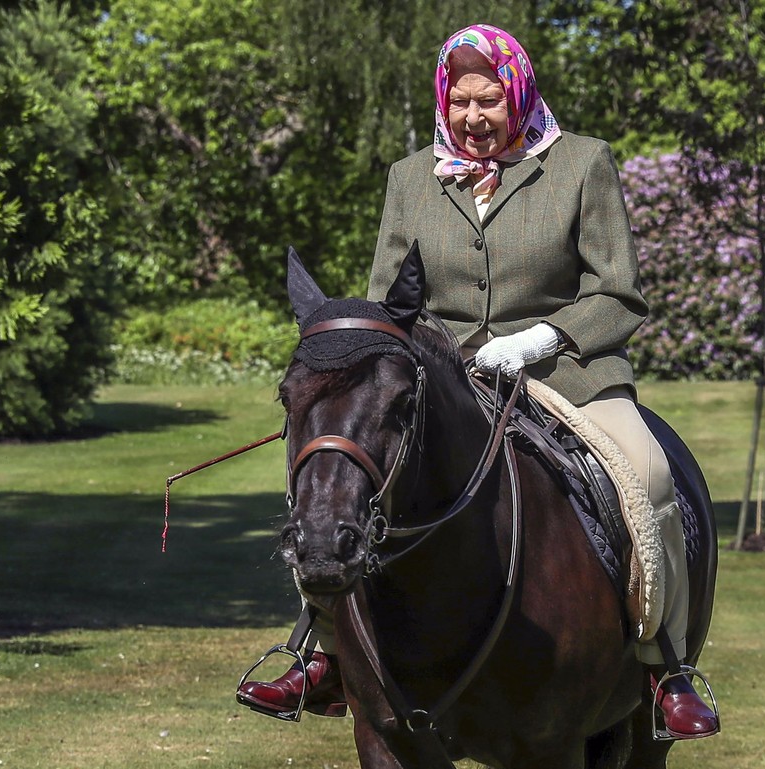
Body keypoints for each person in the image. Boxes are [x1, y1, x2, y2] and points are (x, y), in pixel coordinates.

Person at [237, 23, 719, 740]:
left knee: (648, 473)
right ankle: (325, 651)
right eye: (459, 102)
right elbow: (386, 304)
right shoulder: (410, 178)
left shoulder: (582, 164)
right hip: (443, 380)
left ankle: (663, 666)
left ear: (518, 92)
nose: (472, 118)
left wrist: (541, 338)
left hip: (568, 373)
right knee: (351, 480)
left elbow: (618, 294)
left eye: (489, 100)